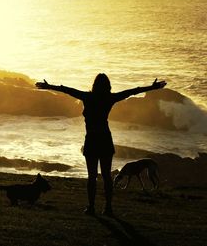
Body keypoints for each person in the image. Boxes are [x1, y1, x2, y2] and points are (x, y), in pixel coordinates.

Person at [35, 74, 166, 216]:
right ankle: (108, 208)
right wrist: (152, 88)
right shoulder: (109, 98)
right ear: (108, 86)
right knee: (106, 176)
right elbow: (132, 91)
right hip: (104, 139)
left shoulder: (88, 97)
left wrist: (49, 87)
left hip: (92, 139)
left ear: (94, 85)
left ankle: (91, 207)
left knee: (92, 176)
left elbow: (67, 90)